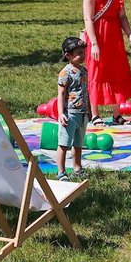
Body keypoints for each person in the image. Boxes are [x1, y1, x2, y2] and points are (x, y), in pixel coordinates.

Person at [82, 0, 131, 126]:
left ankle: (117, 114)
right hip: (97, 35)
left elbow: (122, 16)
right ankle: (94, 114)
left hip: (114, 36)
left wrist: (130, 35)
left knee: (116, 71)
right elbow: (87, 19)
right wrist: (93, 44)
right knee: (96, 73)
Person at [56, 37, 88, 181]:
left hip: (82, 113)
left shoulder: (84, 70)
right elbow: (61, 94)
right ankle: (61, 172)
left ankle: (77, 168)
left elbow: (86, 91)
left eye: (84, 52)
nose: (83, 55)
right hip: (70, 114)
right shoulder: (65, 72)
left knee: (78, 143)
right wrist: (61, 113)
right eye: (79, 53)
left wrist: (90, 110)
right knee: (64, 144)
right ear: (68, 55)